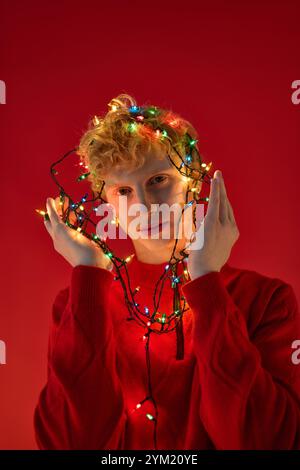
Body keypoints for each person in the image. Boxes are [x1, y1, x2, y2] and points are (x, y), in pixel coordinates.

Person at [34, 93, 300, 450]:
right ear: (107, 205)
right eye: (124, 190)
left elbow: (264, 440)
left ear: (192, 180)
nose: (143, 204)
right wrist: (87, 274)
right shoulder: (80, 302)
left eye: (158, 180)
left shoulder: (266, 301)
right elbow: (73, 442)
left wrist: (206, 280)